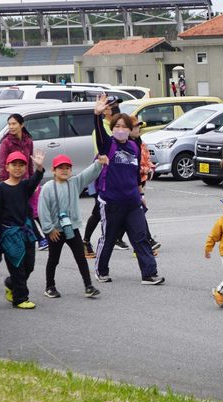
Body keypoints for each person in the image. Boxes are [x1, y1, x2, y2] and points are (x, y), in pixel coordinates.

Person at [93, 94, 164, 285]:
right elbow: (100, 133)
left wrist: (140, 193)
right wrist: (97, 115)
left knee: (140, 237)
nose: (121, 130)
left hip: (132, 201)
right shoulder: (108, 145)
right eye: (117, 126)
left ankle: (149, 273)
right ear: (112, 128)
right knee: (108, 238)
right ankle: (101, 270)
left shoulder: (133, 146)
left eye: (125, 127)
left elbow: (134, 174)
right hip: (112, 202)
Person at [38, 154, 107, 298]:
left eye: (67, 168)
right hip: (55, 230)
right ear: (53, 170)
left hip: (72, 228)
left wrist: (98, 164)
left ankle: (88, 286)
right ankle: (49, 286)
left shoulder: (74, 183)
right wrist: (49, 229)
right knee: (53, 259)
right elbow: (42, 210)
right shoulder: (47, 188)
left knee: (81, 257)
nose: (64, 170)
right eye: (60, 168)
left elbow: (87, 174)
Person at [0, 150, 45, 308]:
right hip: (9, 234)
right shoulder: (0, 188)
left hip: (26, 232)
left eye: (21, 165)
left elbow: (36, 179)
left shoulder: (25, 186)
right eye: (14, 164)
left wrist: (39, 167)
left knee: (29, 265)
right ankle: (20, 298)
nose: (17, 168)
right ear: (7, 167)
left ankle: (10, 283)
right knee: (17, 267)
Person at [83, 96, 130, 256]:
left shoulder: (121, 126)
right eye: (112, 107)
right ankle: (86, 240)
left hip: (120, 176)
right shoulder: (100, 129)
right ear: (105, 111)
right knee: (98, 211)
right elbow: (101, 154)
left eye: (117, 106)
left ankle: (117, 237)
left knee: (129, 207)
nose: (116, 109)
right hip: (103, 176)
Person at [0, 113, 48, 251]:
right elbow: (3, 166)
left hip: (28, 181)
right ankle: (41, 238)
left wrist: (35, 181)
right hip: (13, 183)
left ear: (22, 125)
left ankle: (44, 236)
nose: (11, 127)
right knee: (26, 210)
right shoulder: (6, 143)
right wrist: (5, 184)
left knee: (35, 209)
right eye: (9, 124)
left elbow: (31, 164)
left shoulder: (28, 141)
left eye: (14, 123)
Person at [130, 116, 160, 250]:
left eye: (139, 126)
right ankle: (147, 240)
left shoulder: (140, 143)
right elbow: (133, 167)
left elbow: (147, 158)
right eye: (136, 127)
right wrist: (146, 169)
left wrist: (151, 168)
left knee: (135, 213)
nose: (138, 129)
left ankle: (117, 237)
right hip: (132, 184)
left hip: (141, 182)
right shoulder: (127, 145)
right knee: (139, 211)